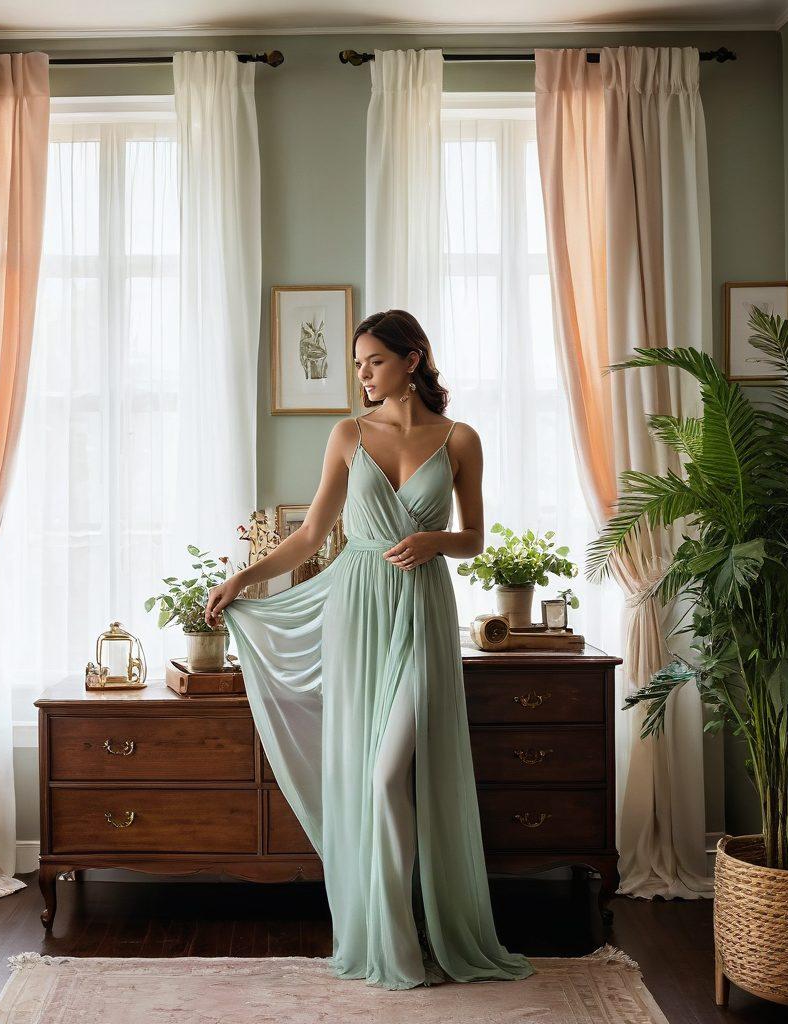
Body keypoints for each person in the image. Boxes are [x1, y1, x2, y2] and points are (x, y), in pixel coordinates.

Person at [206, 309, 534, 991]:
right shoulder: (348, 435)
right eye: (357, 364)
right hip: (355, 608)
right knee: (373, 780)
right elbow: (308, 538)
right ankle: (394, 941)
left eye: (373, 361)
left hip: (421, 608)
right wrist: (243, 577)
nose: (361, 374)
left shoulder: (460, 439)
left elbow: (474, 537)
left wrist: (434, 542)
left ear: (412, 359)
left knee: (391, 775)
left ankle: (419, 930)